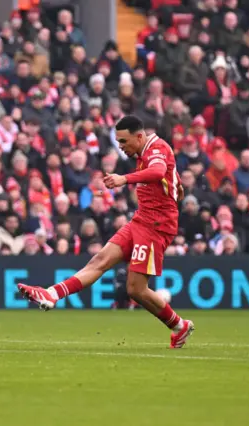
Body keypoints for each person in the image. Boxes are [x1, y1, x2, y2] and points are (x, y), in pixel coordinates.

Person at [18, 116, 195, 349]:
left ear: (139, 136)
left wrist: (124, 179)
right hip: (141, 219)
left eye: (123, 141)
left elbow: (158, 170)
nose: (120, 146)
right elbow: (167, 174)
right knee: (99, 260)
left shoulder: (157, 148)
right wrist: (177, 186)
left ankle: (179, 326)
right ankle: (51, 294)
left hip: (156, 226)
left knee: (135, 289)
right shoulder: (146, 151)